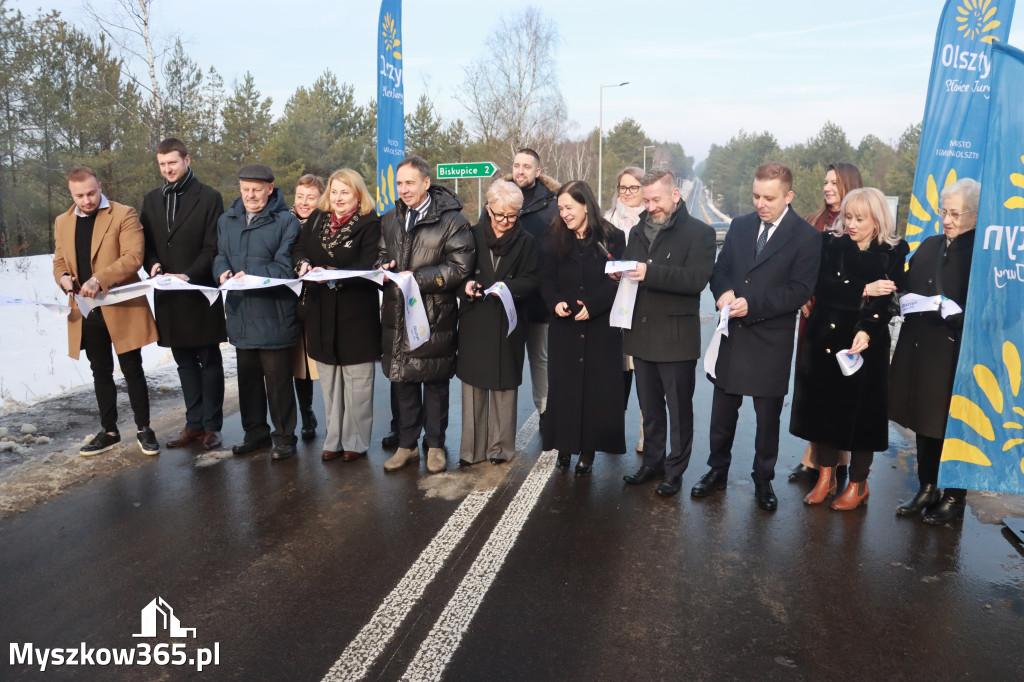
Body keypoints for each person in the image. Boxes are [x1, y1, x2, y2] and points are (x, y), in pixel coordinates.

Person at [692, 162, 820, 511]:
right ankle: (716, 471)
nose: (760, 203)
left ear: (788, 196)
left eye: (769, 197)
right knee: (721, 417)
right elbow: (721, 269)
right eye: (756, 196)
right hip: (732, 336)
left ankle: (763, 481)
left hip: (771, 340)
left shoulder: (807, 237)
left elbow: (799, 290)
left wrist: (754, 304)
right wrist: (722, 293)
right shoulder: (740, 225)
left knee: (767, 423)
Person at [790, 188, 908, 509]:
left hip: (865, 344)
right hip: (825, 340)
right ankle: (826, 478)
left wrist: (868, 330)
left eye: (859, 218)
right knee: (823, 412)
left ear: (877, 218)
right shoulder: (830, 243)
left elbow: (889, 302)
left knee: (863, 416)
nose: (851, 224)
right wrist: (862, 289)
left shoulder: (894, 251)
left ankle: (858, 483)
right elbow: (820, 287)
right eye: (848, 217)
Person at [619, 170, 716, 496]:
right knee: (650, 408)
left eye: (656, 199)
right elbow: (632, 269)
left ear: (675, 195)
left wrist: (649, 273)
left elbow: (696, 280)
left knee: (678, 409)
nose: (650, 206)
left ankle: (675, 470)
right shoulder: (636, 230)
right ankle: (652, 463)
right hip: (641, 333)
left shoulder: (700, 233)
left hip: (675, 338)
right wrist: (618, 275)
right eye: (645, 200)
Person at [889, 178, 980, 524]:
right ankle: (928, 487)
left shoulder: (982, 254)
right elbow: (908, 284)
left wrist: (962, 315)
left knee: (954, 425)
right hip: (921, 347)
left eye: (956, 213)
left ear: (975, 214)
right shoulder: (929, 244)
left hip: (957, 353)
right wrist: (901, 297)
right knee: (925, 422)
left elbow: (993, 306)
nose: (947, 219)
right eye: (944, 211)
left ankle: (955, 496)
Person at [376, 155, 474, 474]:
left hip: (434, 314)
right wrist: (384, 268)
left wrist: (417, 279)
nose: (403, 189)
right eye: (399, 183)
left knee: (434, 382)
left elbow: (460, 267)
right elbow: (381, 254)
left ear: (426, 183)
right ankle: (407, 446)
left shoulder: (452, 220)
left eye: (410, 183)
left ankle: (434, 446)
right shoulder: (390, 217)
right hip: (396, 313)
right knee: (403, 380)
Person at [53, 165, 159, 456]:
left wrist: (99, 279)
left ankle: (144, 429)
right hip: (86, 309)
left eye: (91, 192)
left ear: (99, 185)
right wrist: (63, 278)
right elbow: (59, 261)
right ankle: (109, 431)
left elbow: (133, 257)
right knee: (100, 370)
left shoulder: (123, 214)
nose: (86, 200)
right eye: (79, 196)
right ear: (71, 193)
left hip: (120, 305)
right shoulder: (62, 221)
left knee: (132, 369)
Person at [140, 138, 226, 452]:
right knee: (184, 363)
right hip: (168, 296)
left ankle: (212, 427)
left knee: (209, 361)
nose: (167, 169)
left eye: (172, 163)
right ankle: (193, 424)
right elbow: (145, 244)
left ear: (187, 160)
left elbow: (213, 247)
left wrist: (187, 274)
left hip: (199, 292)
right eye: (162, 165)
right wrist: (153, 264)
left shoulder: (209, 197)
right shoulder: (151, 200)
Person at [214, 163, 301, 461]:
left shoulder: (285, 222)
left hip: (274, 313)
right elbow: (220, 254)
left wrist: (246, 274)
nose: (251, 195)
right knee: (247, 381)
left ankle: (285, 436)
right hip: (240, 312)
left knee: (278, 383)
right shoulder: (227, 220)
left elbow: (284, 267)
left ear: (270, 189)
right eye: (245, 189)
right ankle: (256, 433)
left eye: (257, 190)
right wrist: (222, 271)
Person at [293, 170, 381, 462]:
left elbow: (369, 264)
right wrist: (304, 264)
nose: (338, 198)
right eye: (334, 192)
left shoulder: (370, 223)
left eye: (345, 192)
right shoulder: (318, 218)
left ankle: (355, 441)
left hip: (355, 311)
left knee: (357, 382)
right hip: (321, 309)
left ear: (358, 194)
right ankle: (333, 438)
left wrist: (334, 274)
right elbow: (299, 248)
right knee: (330, 383)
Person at [541, 180, 626, 476]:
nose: (564, 213)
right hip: (564, 327)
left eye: (569, 207)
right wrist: (555, 303)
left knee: (595, 390)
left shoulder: (614, 237)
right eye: (560, 208)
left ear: (586, 205)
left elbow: (617, 280)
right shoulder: (553, 238)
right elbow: (546, 280)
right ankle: (564, 446)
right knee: (564, 389)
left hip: (600, 328)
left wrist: (594, 304)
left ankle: (587, 451)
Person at [476, 148, 559, 448]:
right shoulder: (498, 198)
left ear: (538, 171)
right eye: (516, 165)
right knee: (502, 363)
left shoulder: (551, 207)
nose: (521, 170)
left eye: (527, 166)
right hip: (498, 304)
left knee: (541, 360)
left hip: (537, 299)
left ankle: (547, 414)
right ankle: (495, 434)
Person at [790, 162, 864, 485]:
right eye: (825, 182)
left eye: (834, 182)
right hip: (813, 318)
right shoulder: (815, 222)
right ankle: (816, 457)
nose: (827, 187)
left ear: (850, 185)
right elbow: (799, 266)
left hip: (844, 318)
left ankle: (836, 460)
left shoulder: (858, 224)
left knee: (839, 391)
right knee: (814, 388)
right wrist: (802, 293)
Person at [457, 180, 540, 466]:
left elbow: (533, 280)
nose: (505, 221)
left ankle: (501, 449)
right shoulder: (470, 234)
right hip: (475, 320)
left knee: (504, 387)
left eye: (512, 215)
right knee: (473, 387)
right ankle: (472, 451)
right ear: (487, 209)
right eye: (499, 215)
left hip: (509, 322)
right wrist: (466, 287)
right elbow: (459, 273)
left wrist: (508, 287)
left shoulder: (527, 241)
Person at [605, 166, 647, 453]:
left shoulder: (653, 220)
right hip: (613, 307)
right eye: (624, 187)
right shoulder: (606, 220)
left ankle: (647, 433)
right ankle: (611, 430)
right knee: (615, 374)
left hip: (644, 308)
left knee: (644, 374)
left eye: (634, 187)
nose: (628, 193)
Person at [290, 174, 325, 441]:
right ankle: (306, 413)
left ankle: (335, 416)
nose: (304, 202)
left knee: (321, 360)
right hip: (291, 299)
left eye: (310, 197)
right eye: (300, 196)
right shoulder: (284, 220)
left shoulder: (326, 222)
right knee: (299, 362)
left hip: (320, 298)